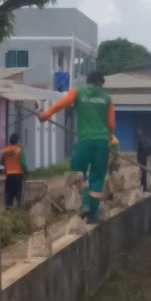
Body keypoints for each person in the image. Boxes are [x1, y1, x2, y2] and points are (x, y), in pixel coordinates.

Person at [38, 71, 115, 223]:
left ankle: (83, 203)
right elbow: (112, 124)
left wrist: (45, 115)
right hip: (102, 142)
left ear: (88, 81)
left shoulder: (78, 91)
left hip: (85, 141)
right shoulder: (107, 98)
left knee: (76, 172)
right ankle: (93, 215)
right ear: (100, 83)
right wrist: (108, 138)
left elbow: (60, 104)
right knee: (97, 178)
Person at [2, 133, 28, 208]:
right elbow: (23, 164)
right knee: (19, 193)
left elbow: (3, 161)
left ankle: (8, 210)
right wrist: (27, 173)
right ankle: (19, 210)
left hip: (9, 175)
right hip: (18, 175)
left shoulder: (5, 150)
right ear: (17, 141)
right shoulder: (19, 150)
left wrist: (7, 168)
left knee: (8, 193)